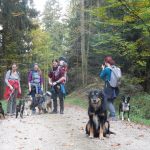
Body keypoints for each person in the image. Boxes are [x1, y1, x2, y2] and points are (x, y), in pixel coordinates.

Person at [99, 56, 120, 121]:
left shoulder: (107, 69)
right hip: (116, 87)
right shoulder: (116, 68)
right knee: (111, 100)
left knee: (108, 100)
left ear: (106, 62)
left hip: (108, 86)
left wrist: (103, 69)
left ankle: (113, 115)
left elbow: (101, 76)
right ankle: (111, 115)